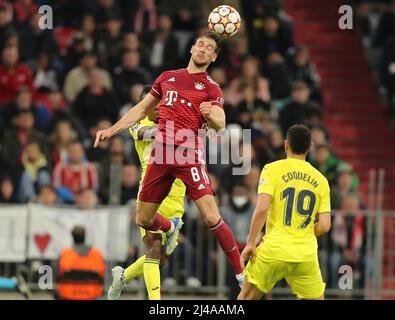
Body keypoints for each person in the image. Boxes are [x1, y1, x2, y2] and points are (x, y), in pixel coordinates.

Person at [94, 32, 245, 287]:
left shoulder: (211, 88)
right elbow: (141, 109)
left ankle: (241, 274)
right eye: (200, 44)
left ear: (214, 57)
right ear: (191, 48)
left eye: (209, 48)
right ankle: (170, 227)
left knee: (210, 217)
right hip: (161, 155)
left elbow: (221, 123)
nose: (203, 49)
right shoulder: (167, 77)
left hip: (188, 153)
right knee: (142, 219)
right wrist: (111, 130)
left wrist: (211, 115)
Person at [108, 85, 186, 300]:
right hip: (152, 191)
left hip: (177, 192)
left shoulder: (174, 120)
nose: (158, 109)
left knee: (162, 256)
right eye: (152, 105)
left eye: (161, 104)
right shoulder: (138, 124)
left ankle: (123, 276)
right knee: (153, 246)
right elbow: (146, 133)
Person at [238, 124, 331, 300]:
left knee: (246, 297)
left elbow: (262, 209)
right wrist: (302, 232)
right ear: (310, 147)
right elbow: (325, 225)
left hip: (274, 249)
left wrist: (251, 242)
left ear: (286, 145)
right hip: (305, 254)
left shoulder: (272, 169)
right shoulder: (321, 180)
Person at [56, 226, 106, 300]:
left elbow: (58, 275)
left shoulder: (65, 254)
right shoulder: (96, 254)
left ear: (72, 236)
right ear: (85, 236)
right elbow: (101, 276)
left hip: (68, 293)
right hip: (91, 293)